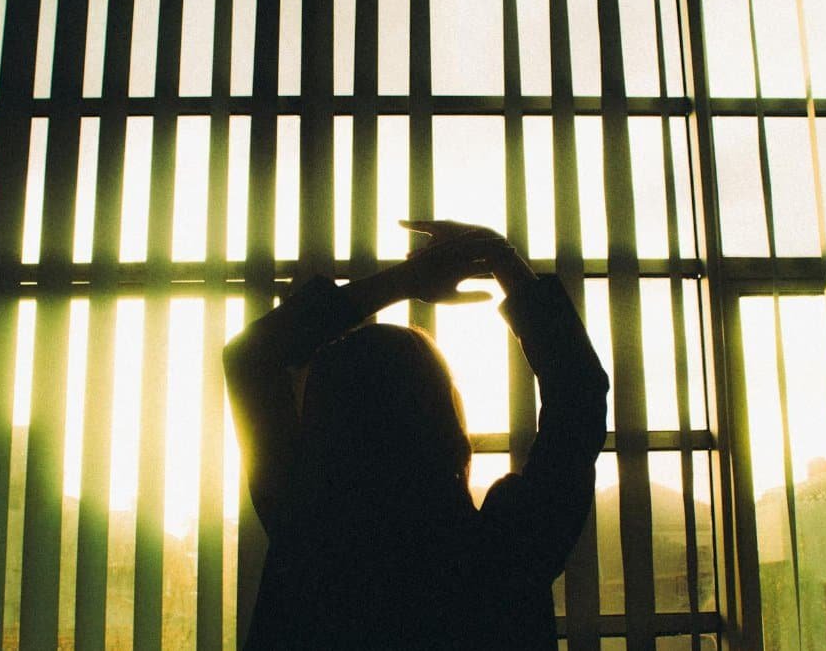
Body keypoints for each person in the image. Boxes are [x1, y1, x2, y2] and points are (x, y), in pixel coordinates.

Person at [223, 220, 609, 649]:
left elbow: (250, 356)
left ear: (322, 423)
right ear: (445, 419)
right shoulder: (503, 553)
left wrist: (406, 280)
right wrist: (501, 258)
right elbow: (579, 397)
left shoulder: (306, 535)